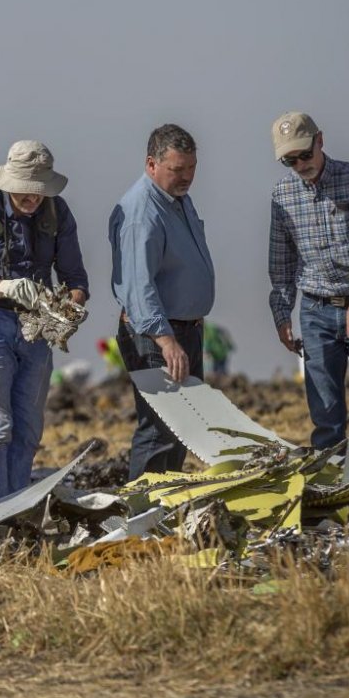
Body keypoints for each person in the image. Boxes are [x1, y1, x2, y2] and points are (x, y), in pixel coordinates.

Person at [0, 141, 89, 503]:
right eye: (25, 191)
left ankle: (18, 510)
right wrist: (4, 287)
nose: (32, 198)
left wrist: (67, 310)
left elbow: (76, 280)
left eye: (39, 191)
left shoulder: (57, 212)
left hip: (37, 329)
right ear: (8, 182)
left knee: (27, 429)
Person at [268, 111, 349, 451]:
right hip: (315, 313)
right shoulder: (281, 196)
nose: (300, 164)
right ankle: (333, 478)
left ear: (320, 141)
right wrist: (282, 314)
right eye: (290, 160)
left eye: (305, 155)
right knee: (326, 417)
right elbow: (281, 264)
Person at [109, 124, 214, 480]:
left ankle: (166, 509)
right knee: (158, 429)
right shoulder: (142, 212)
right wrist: (167, 341)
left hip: (184, 329)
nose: (186, 177)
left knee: (181, 428)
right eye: (176, 169)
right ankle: (144, 513)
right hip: (155, 335)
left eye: (191, 168)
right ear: (152, 164)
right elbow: (138, 287)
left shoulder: (177, 199)